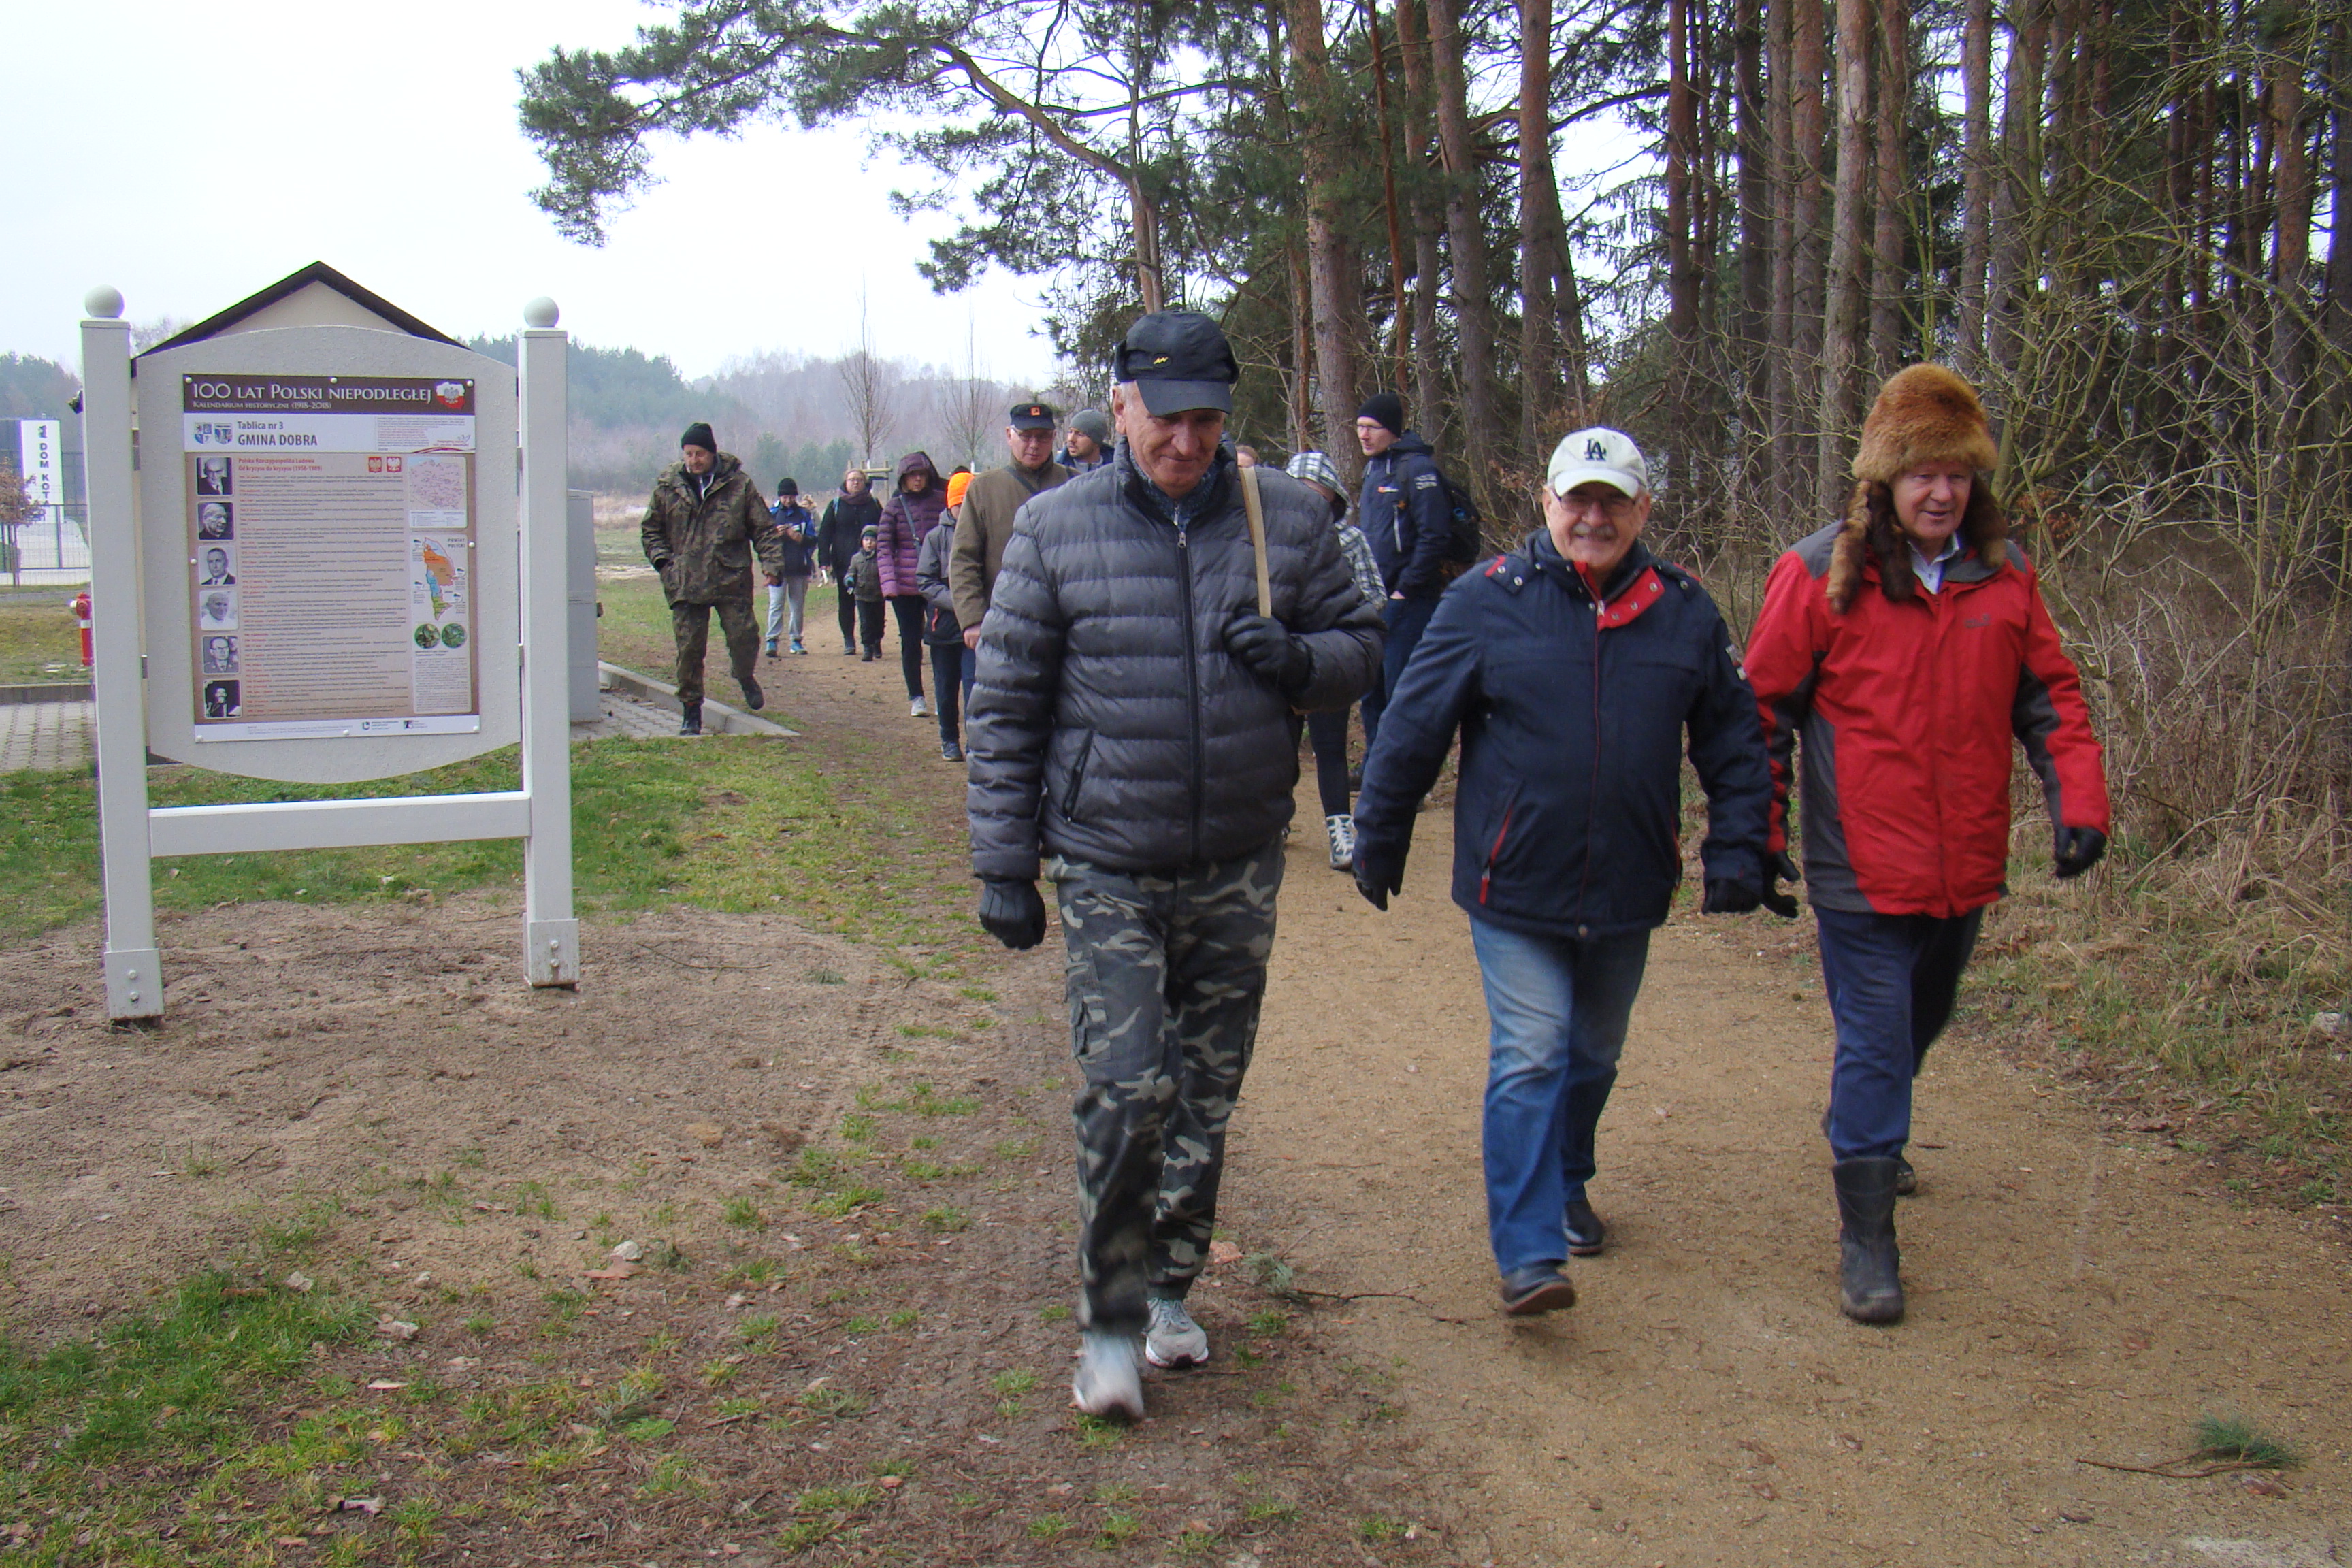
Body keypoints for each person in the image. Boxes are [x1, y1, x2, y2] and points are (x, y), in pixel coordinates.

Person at [965, 310, 1382, 1420]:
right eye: (1165, 419)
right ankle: (1107, 1319)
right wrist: (1003, 862)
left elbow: (1364, 646)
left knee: (1204, 1089)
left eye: (1206, 420)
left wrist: (1301, 660)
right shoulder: (1055, 528)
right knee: (1126, 1086)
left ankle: (1167, 1289)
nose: (1186, 442)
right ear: (1120, 406)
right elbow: (1004, 705)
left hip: (1238, 859)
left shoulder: (1286, 518)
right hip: (1107, 857)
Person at [1352, 426, 1777, 1317]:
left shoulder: (1684, 611)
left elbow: (1735, 740)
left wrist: (1742, 847)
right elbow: (1414, 723)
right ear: (1546, 503)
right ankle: (1529, 1250)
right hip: (1514, 882)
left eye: (1612, 502)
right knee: (1534, 1049)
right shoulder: (1485, 600)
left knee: (1593, 1052)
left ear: (1642, 510)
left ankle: (1568, 1175)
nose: (1593, 517)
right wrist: (1380, 833)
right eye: (1577, 499)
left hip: (1628, 882)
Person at [1744, 364, 2110, 1325]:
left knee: (1922, 1016)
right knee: (1875, 1035)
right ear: (1885, 479)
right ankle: (1868, 1238)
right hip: (1860, 863)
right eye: (1922, 475)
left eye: (1956, 474)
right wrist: (1757, 836)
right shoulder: (1820, 573)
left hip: (1964, 862)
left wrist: (2078, 800)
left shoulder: (2004, 573)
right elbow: (1764, 711)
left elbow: (2049, 695)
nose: (1941, 492)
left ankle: (1866, 1123)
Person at [640, 423, 783, 735]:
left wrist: (772, 564)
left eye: (700, 454)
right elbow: (651, 530)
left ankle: (744, 674)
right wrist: (664, 562)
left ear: (712, 453)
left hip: (730, 578)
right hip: (686, 581)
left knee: (744, 638)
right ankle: (691, 710)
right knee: (689, 650)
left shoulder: (739, 486)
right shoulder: (668, 486)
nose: (694, 460)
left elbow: (763, 529)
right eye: (689, 454)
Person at [1284, 450, 1382, 870]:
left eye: (1319, 497)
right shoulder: (1265, 538)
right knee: (1277, 744)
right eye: (1300, 494)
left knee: (1330, 745)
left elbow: (1375, 595)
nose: (1310, 505)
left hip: (1329, 658)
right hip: (1280, 656)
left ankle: (1341, 831)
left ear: (1333, 499)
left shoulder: (1351, 540)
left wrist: (1343, 631)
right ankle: (1274, 820)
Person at [1354, 392, 1454, 749]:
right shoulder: (1373, 469)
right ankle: (1375, 766)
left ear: (1393, 430)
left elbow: (1434, 536)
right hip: (1375, 602)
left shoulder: (1418, 469)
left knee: (1401, 692)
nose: (1364, 435)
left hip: (1410, 602)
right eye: (1359, 427)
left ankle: (1404, 768)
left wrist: (1404, 590)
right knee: (1372, 693)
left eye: (1372, 427)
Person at [949, 402, 1072, 676]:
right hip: (1002, 627)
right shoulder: (984, 489)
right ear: (1009, 435)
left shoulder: (1075, 485)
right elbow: (964, 559)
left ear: (1054, 438)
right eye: (1026, 436)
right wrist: (972, 619)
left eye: (1043, 437)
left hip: (1066, 628)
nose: (1034, 445)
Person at [875, 452, 945, 719]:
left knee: (941, 641)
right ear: (903, 479)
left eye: (921, 475)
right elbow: (884, 548)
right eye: (912, 475)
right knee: (911, 642)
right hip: (905, 587)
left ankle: (943, 694)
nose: (917, 480)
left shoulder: (940, 502)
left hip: (936, 584)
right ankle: (916, 696)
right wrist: (889, 584)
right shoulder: (894, 507)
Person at [917, 470, 974, 762]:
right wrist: (958, 602)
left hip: (976, 625)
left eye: (969, 503)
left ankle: (976, 742)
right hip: (944, 625)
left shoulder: (984, 533)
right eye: (960, 503)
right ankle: (949, 738)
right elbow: (925, 580)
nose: (964, 509)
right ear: (950, 504)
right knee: (946, 686)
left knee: (976, 686)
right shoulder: (935, 538)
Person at [817, 466, 883, 655]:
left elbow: (885, 530)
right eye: (852, 480)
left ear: (865, 483)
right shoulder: (836, 505)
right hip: (844, 562)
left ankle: (875, 640)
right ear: (845, 483)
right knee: (846, 603)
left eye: (859, 480)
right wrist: (824, 560)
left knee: (874, 604)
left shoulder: (873, 504)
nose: (855, 483)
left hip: (873, 564)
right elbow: (825, 534)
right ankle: (849, 640)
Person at [764, 478, 817, 657]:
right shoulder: (771, 514)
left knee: (797, 606)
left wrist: (799, 538)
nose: (788, 500)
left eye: (791, 497)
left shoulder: (803, 514)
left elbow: (813, 539)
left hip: (799, 566)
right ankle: (772, 640)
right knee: (776, 605)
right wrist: (775, 535)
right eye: (785, 497)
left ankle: (796, 640)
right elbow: (763, 540)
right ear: (780, 497)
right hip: (778, 568)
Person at [847, 525, 886, 659]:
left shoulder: (882, 558)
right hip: (862, 595)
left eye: (873, 540)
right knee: (865, 623)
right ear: (862, 541)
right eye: (866, 540)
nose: (869, 543)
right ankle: (867, 647)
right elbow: (851, 572)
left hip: (878, 596)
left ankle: (877, 642)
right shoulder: (856, 558)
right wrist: (850, 579)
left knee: (879, 622)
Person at [1061, 408, 1112, 472]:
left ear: (1096, 441)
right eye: (1070, 432)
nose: (1071, 439)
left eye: (1079, 434)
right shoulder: (1058, 471)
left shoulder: (1117, 471)